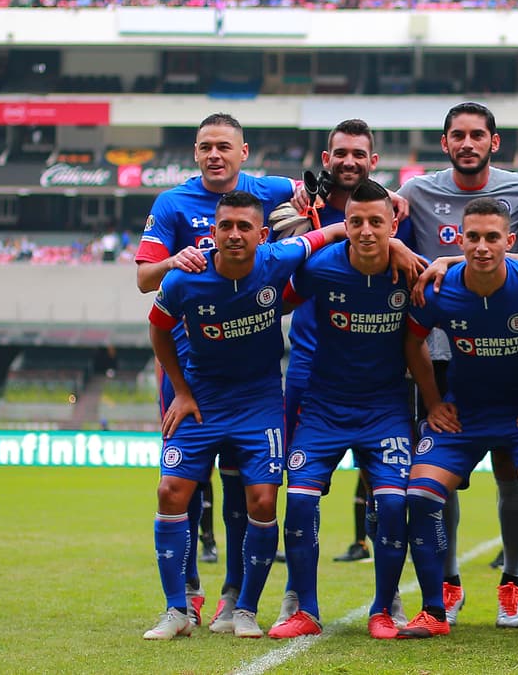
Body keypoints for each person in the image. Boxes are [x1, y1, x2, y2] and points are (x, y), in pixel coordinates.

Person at [143, 191, 347, 640]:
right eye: (225, 226)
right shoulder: (185, 278)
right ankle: (176, 610)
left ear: (262, 234)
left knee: (262, 501)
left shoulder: (277, 258)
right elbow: (157, 330)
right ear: (213, 232)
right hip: (201, 399)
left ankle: (246, 610)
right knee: (169, 490)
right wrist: (180, 390)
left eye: (243, 227)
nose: (234, 235)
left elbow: (331, 231)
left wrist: (397, 243)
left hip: (258, 403)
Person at [134, 113, 298, 629]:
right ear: (195, 151)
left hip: (251, 372)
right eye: (205, 147)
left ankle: (235, 596)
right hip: (190, 369)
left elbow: (315, 196)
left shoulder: (266, 191)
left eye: (224, 147)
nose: (214, 155)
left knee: (243, 487)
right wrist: (172, 263)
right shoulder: (173, 203)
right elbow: (144, 280)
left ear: (243, 151)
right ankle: (185, 594)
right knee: (185, 483)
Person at [399, 198, 518, 641]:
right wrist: (435, 401)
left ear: (510, 240)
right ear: (459, 240)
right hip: (465, 414)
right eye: (473, 237)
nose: (482, 247)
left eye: (492, 237)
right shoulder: (440, 290)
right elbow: (413, 342)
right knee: (421, 497)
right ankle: (433, 610)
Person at [397, 102, 518, 628]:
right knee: (444, 477)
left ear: (493, 142)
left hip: (506, 350)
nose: (467, 143)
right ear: (445, 143)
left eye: (477, 135)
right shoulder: (414, 192)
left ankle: (513, 581)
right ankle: (449, 582)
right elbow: (376, 229)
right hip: (437, 356)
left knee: (512, 473)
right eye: (458, 135)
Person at [270, 119, 416, 624]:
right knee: (296, 491)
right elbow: (275, 288)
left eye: (359, 153)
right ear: (326, 157)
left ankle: (390, 598)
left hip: (382, 380)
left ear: (373, 161)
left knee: (389, 494)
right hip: (312, 374)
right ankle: (294, 598)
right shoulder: (297, 204)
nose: (349, 161)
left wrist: (398, 247)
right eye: (340, 153)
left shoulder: (396, 207)